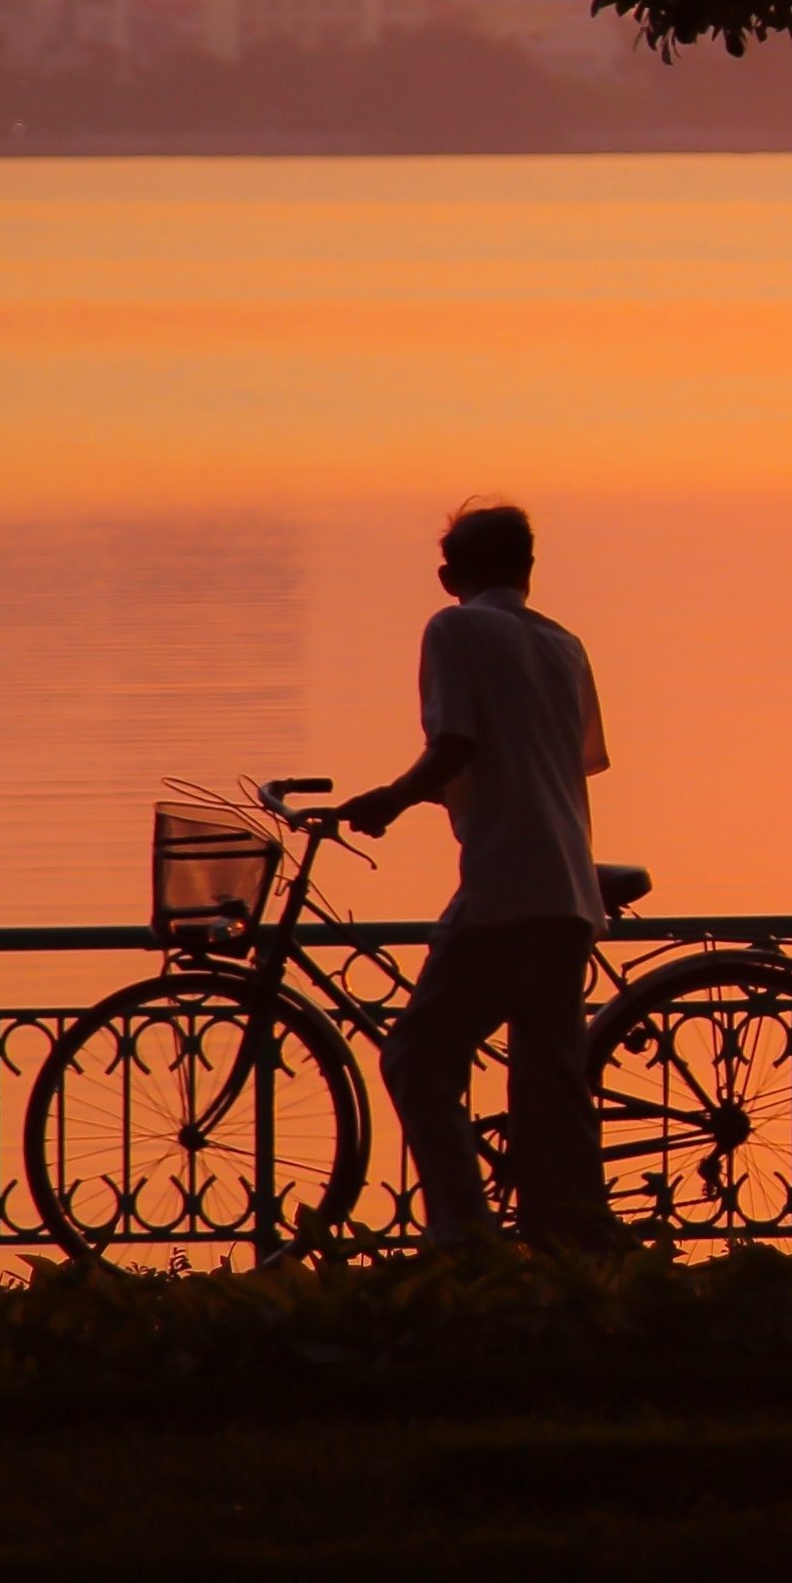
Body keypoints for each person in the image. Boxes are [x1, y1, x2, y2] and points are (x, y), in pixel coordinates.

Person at [339, 501, 623, 1254]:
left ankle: (464, 1234)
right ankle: (570, 1238)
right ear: (527, 568)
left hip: (505, 885)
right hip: (569, 887)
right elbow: (568, 757)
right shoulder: (564, 643)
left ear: (448, 576)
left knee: (416, 1058)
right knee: (550, 1080)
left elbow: (457, 741)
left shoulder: (454, 628)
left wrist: (388, 801)